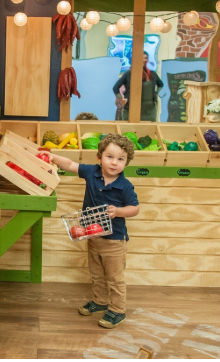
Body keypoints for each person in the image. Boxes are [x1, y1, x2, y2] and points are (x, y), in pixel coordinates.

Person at [48, 134, 140, 328]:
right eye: (109, 157)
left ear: (126, 163)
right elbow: (70, 165)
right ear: (99, 157)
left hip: (114, 240)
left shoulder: (125, 186)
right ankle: (100, 301)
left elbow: (135, 208)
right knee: (97, 273)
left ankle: (117, 310)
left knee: (114, 278)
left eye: (120, 159)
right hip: (92, 236)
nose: (114, 162)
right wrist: (53, 158)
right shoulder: (92, 172)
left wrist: (119, 211)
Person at [113, 51, 164, 121]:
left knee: (149, 127)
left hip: (149, 110)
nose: (144, 60)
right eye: (142, 58)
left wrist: (156, 93)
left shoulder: (152, 74)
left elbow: (160, 84)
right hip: (132, 109)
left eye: (146, 58)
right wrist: (121, 99)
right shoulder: (129, 74)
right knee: (131, 127)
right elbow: (115, 88)